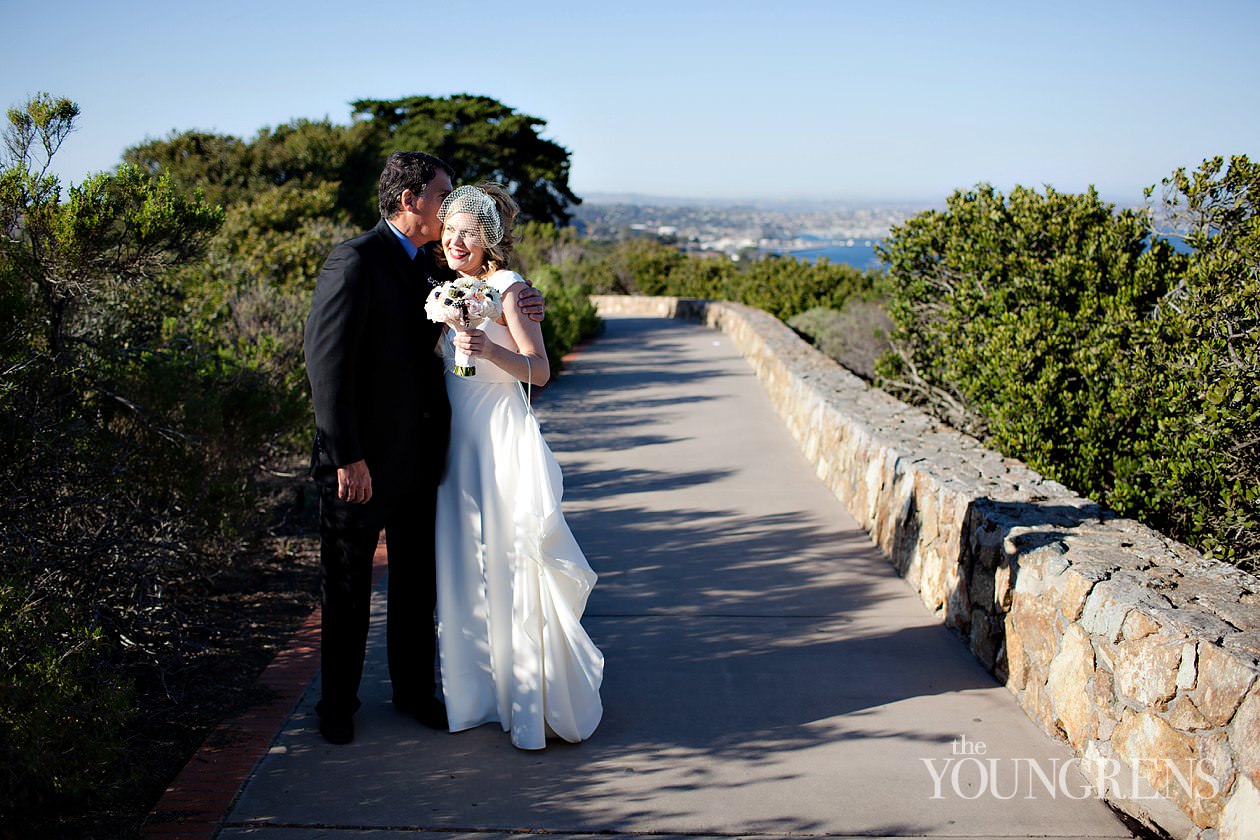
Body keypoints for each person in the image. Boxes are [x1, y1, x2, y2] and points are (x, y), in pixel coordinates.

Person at [303, 153, 543, 745]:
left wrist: (524, 298)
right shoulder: (355, 260)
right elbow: (325, 365)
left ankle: (414, 693)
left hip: (422, 460)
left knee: (416, 586)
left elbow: (490, 288)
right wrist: (346, 456)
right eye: (442, 196)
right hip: (359, 464)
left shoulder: (434, 265)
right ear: (411, 200)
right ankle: (337, 705)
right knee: (347, 585)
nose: (451, 208)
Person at [432, 183, 603, 750]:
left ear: (491, 239)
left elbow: (539, 370)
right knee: (470, 566)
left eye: (469, 233)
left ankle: (528, 703)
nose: (456, 241)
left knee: (513, 560)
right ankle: (478, 695)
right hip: (460, 445)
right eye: (450, 229)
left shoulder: (508, 289)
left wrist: (487, 348)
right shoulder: (452, 289)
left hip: (500, 439)